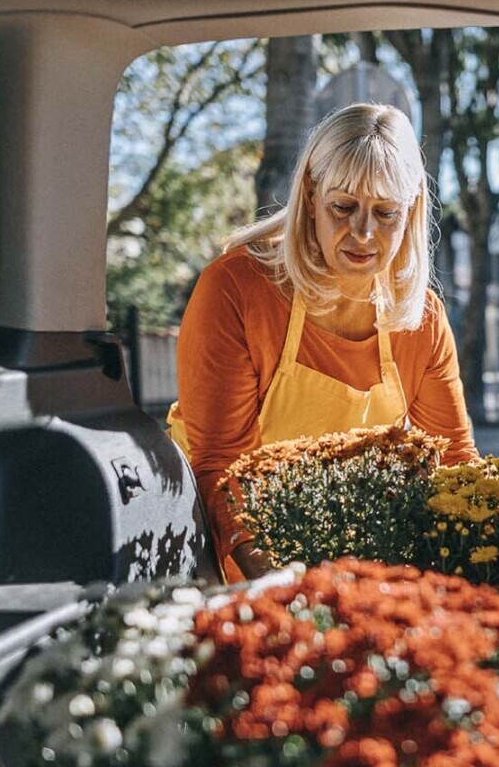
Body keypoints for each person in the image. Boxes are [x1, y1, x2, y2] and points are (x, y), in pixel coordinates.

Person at [169, 102, 477, 581]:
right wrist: (289, 589)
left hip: (352, 568)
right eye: (344, 207)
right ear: (311, 195)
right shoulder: (236, 290)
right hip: (227, 562)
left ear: (411, 210)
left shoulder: (423, 321)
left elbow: (455, 463)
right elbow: (222, 468)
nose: (363, 232)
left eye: (385, 213)